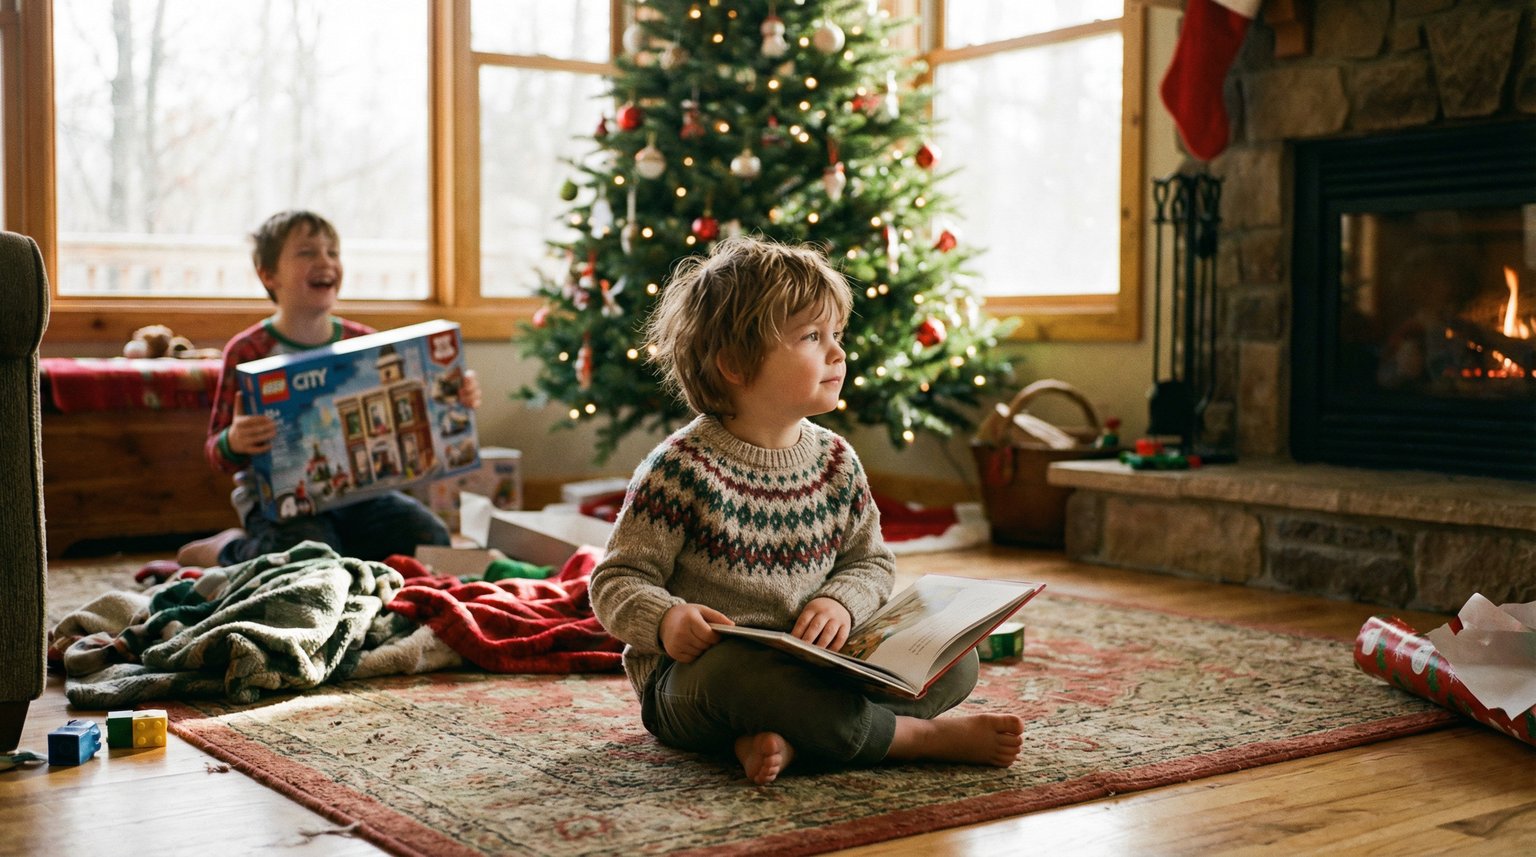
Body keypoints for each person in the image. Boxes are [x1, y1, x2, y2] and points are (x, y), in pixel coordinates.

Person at [589, 235, 1024, 785]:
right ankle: (909, 739)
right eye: (813, 337)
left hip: (824, 667)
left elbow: (871, 564)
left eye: (836, 335)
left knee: (957, 661)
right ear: (735, 365)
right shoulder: (678, 469)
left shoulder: (837, 461)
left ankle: (801, 740)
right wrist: (668, 620)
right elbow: (617, 580)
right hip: (700, 681)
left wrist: (840, 603)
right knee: (744, 681)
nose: (838, 353)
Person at [176, 210, 482, 568]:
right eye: (307, 252)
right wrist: (236, 440)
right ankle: (227, 550)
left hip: (364, 499)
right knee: (306, 559)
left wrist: (455, 396)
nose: (325, 261)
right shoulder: (248, 351)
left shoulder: (365, 344)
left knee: (429, 539)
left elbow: (417, 414)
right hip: (283, 505)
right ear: (268, 274)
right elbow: (216, 452)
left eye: (333, 252)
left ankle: (342, 554)